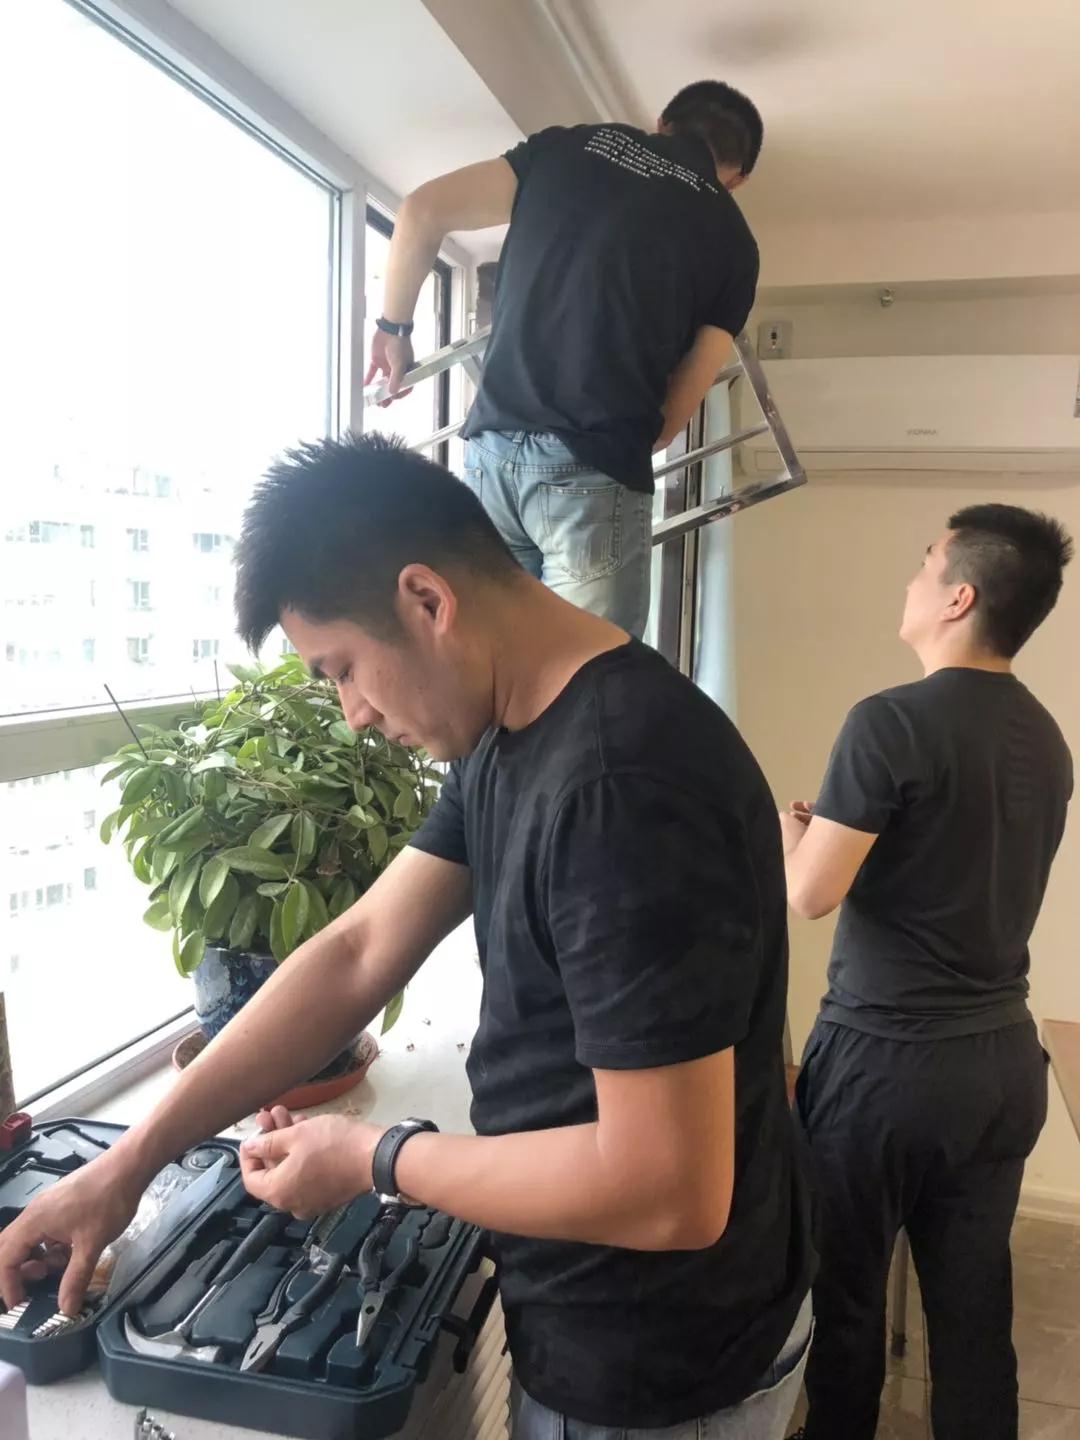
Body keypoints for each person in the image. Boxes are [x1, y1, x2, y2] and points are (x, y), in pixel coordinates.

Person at [0, 434, 811, 1440]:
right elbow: (357, 952)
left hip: (663, 1364)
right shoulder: (513, 731)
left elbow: (671, 1192)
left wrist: (375, 1157)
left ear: (427, 599)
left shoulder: (623, 784)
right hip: (604, 1315)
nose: (351, 715)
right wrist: (124, 1168)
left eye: (342, 669)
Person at [780, 504, 1073, 1440]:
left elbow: (809, 896)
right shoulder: (1048, 739)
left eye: (924, 564)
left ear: (959, 597)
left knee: (847, 1307)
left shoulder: (888, 722)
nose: (910, 580)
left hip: (885, 1067)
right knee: (974, 1314)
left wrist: (793, 838)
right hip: (1000, 1065)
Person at [366, 80, 763, 637]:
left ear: (662, 124)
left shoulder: (569, 147)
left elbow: (421, 210)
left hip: (490, 453)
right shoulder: (735, 243)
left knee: (485, 656)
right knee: (587, 671)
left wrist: (393, 329)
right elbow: (677, 411)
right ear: (737, 178)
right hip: (593, 466)